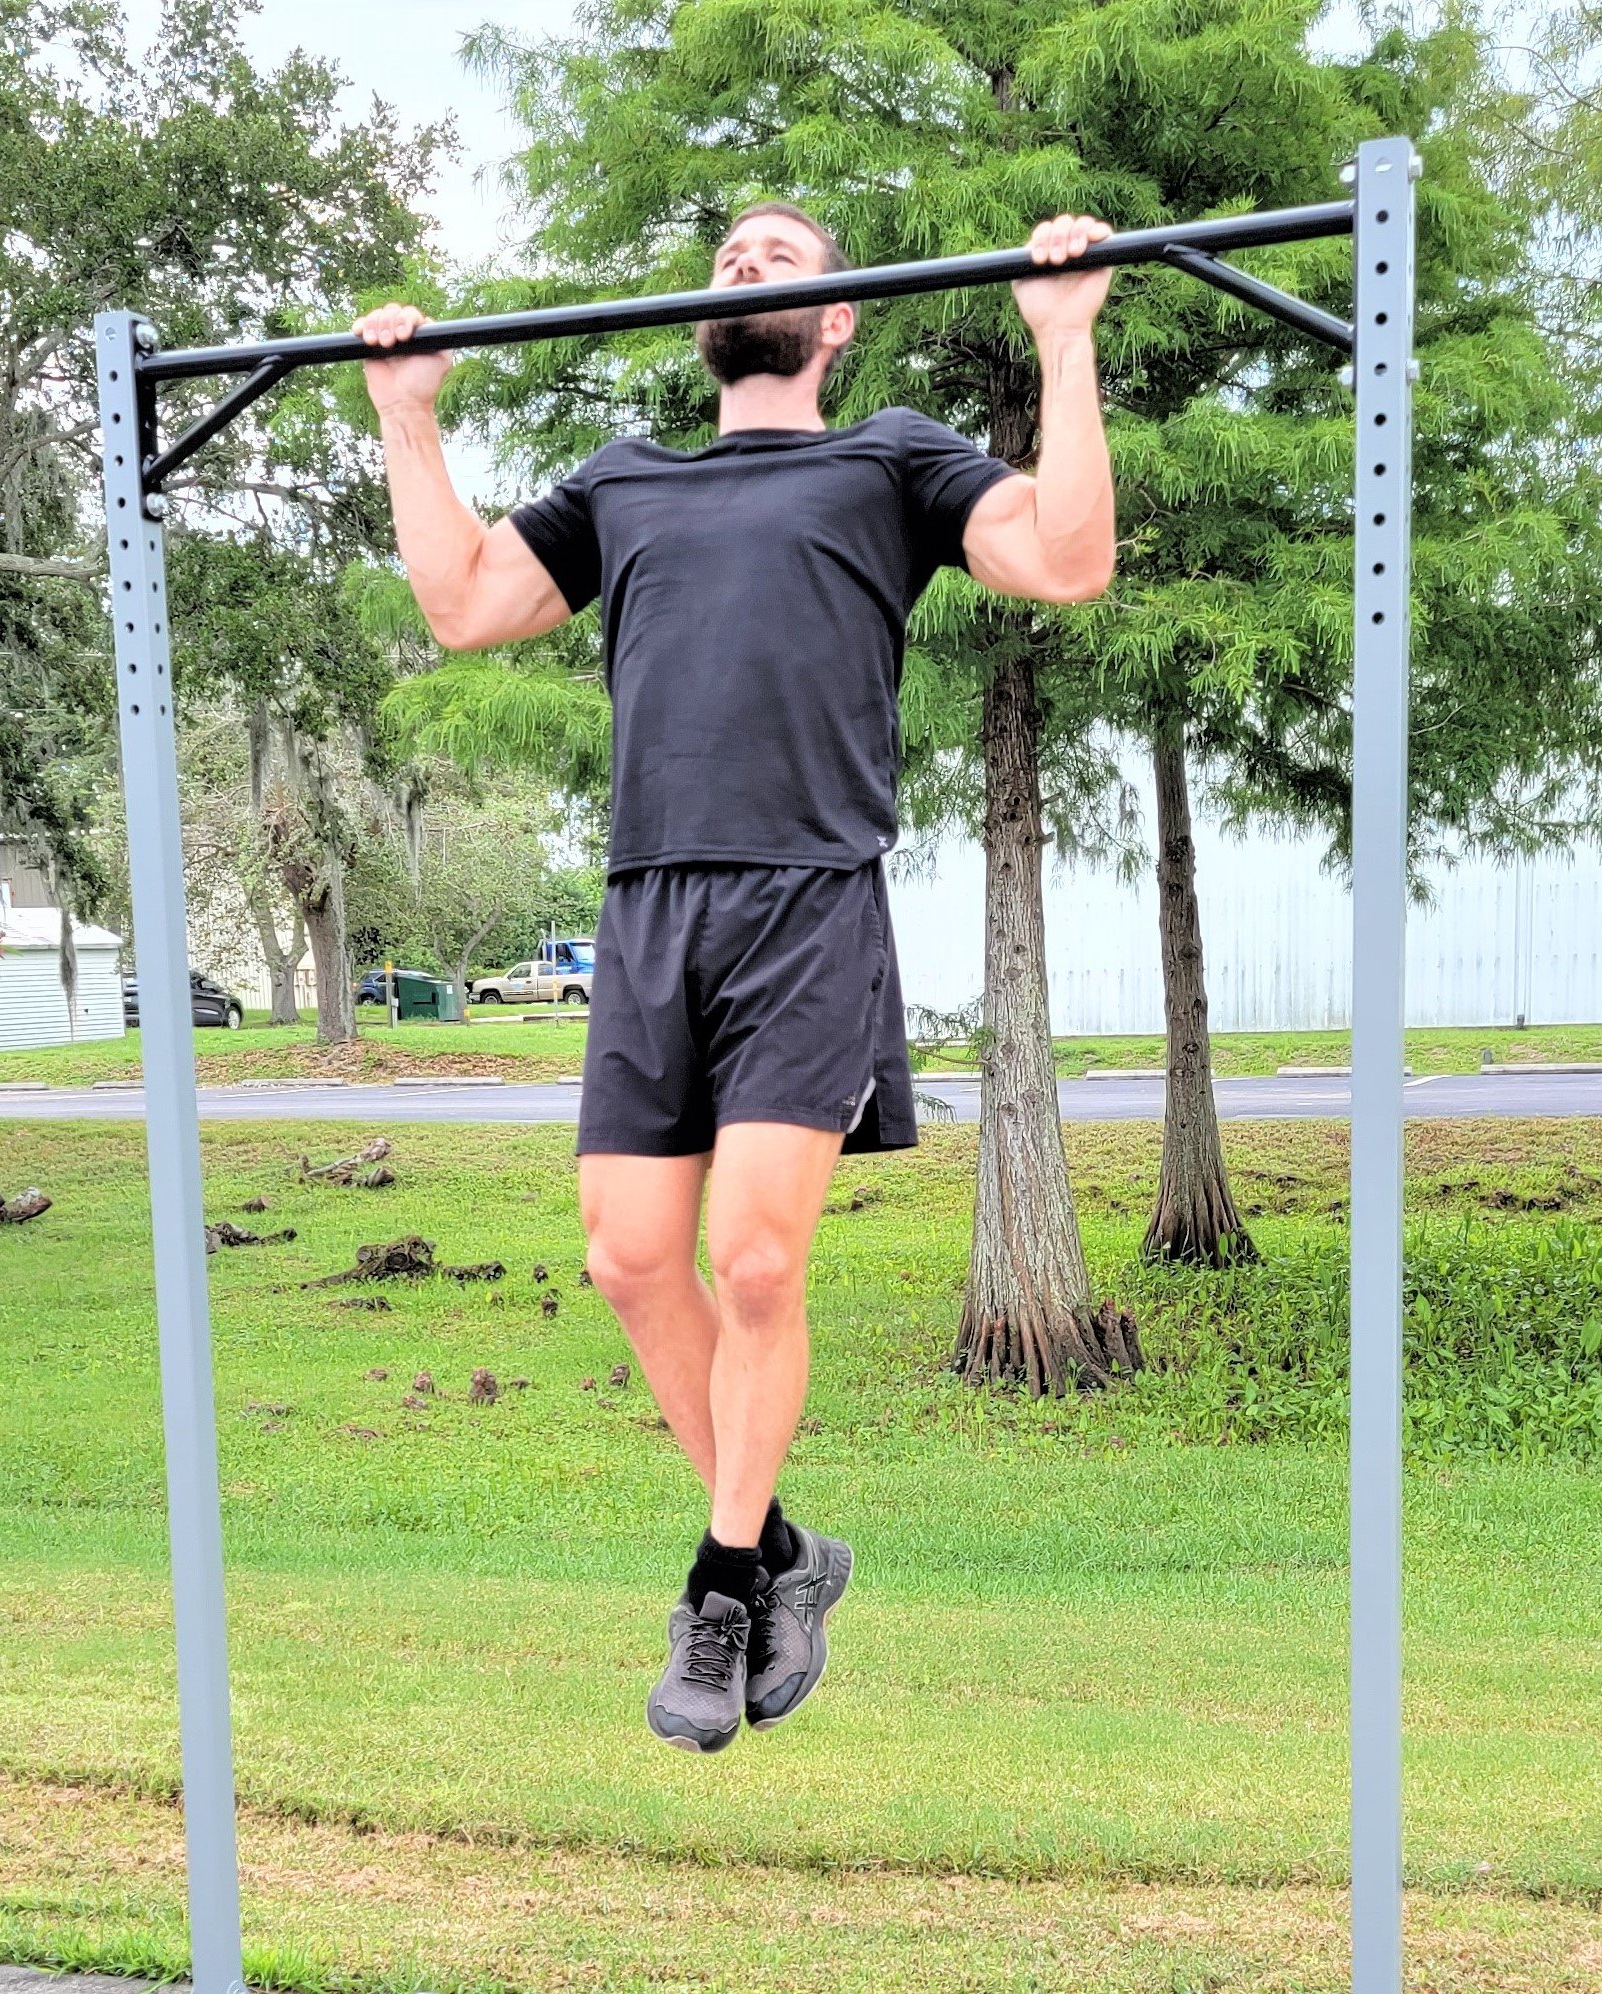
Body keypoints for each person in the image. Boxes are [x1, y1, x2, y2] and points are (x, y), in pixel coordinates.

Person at [355, 201, 1117, 1753]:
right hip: (647, 905)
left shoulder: (888, 459)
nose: (746, 263)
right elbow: (463, 604)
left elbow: (1068, 559)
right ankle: (786, 1556)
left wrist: (1064, 337)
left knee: (757, 1263)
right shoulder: (628, 483)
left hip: (806, 900)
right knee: (632, 1259)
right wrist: (405, 419)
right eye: (727, 254)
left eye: (782, 252)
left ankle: (718, 1581)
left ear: (840, 316)